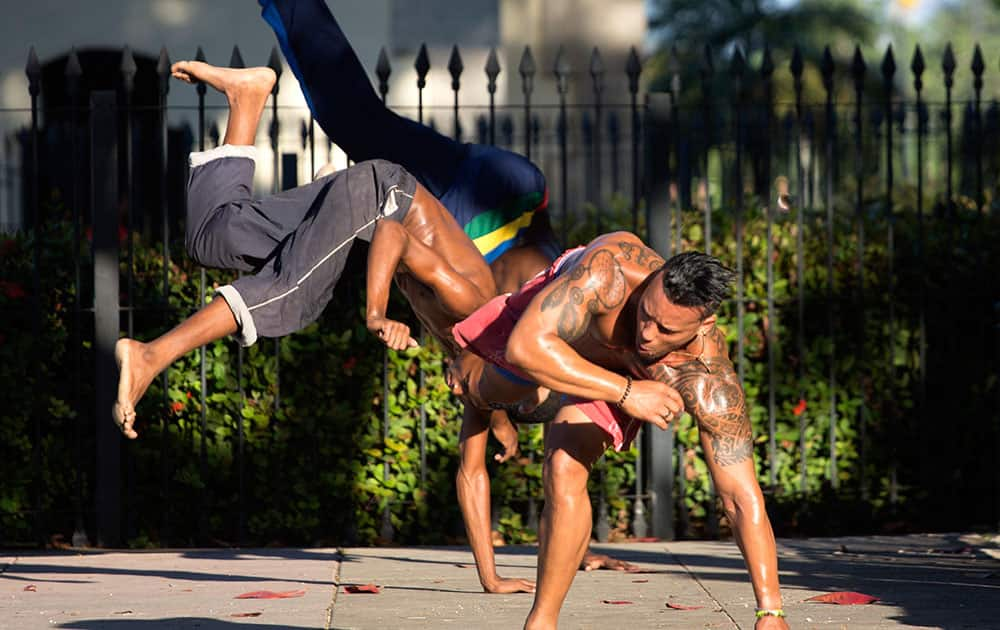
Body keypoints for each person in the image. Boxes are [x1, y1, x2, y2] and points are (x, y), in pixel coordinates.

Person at [258, 0, 639, 588]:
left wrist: (496, 576)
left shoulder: (501, 370)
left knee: (358, 138)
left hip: (510, 203)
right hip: (496, 209)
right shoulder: (520, 345)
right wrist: (378, 313)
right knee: (358, 125)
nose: (456, 385)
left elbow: (474, 475)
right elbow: (536, 461)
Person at [451, 233, 789, 629]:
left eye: (666, 330)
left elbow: (739, 496)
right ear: (653, 279)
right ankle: (532, 387)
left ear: (704, 324)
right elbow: (524, 348)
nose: (647, 333)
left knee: (563, 468)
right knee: (471, 385)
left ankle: (541, 622)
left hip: (617, 372)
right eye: (646, 313)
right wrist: (627, 393)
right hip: (553, 338)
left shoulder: (707, 380)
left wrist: (771, 611)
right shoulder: (607, 273)